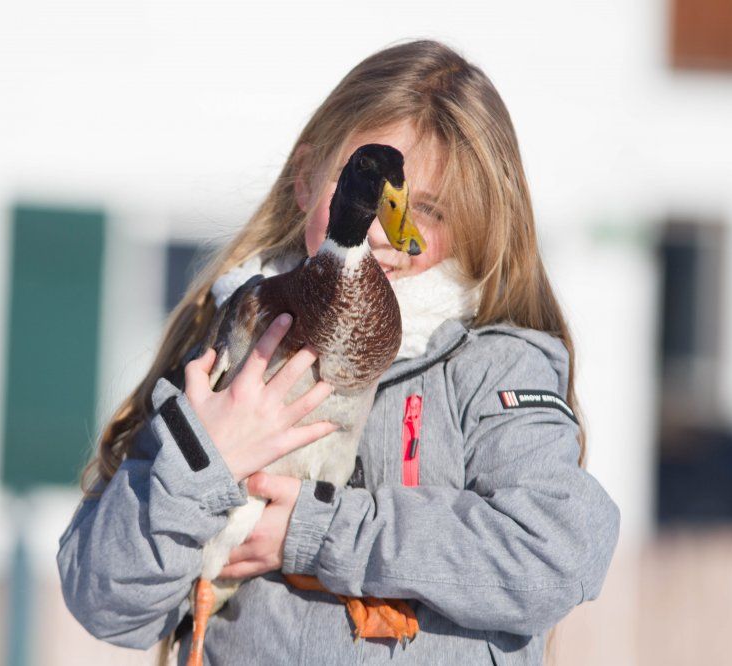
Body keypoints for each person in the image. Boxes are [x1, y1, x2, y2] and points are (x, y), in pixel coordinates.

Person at [56, 39, 620, 665]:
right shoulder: (237, 332)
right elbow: (102, 599)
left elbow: (553, 555)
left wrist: (316, 531)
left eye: (423, 209)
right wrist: (204, 458)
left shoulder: (491, 368)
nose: (385, 231)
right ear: (305, 180)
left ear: (474, 223)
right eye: (367, 198)